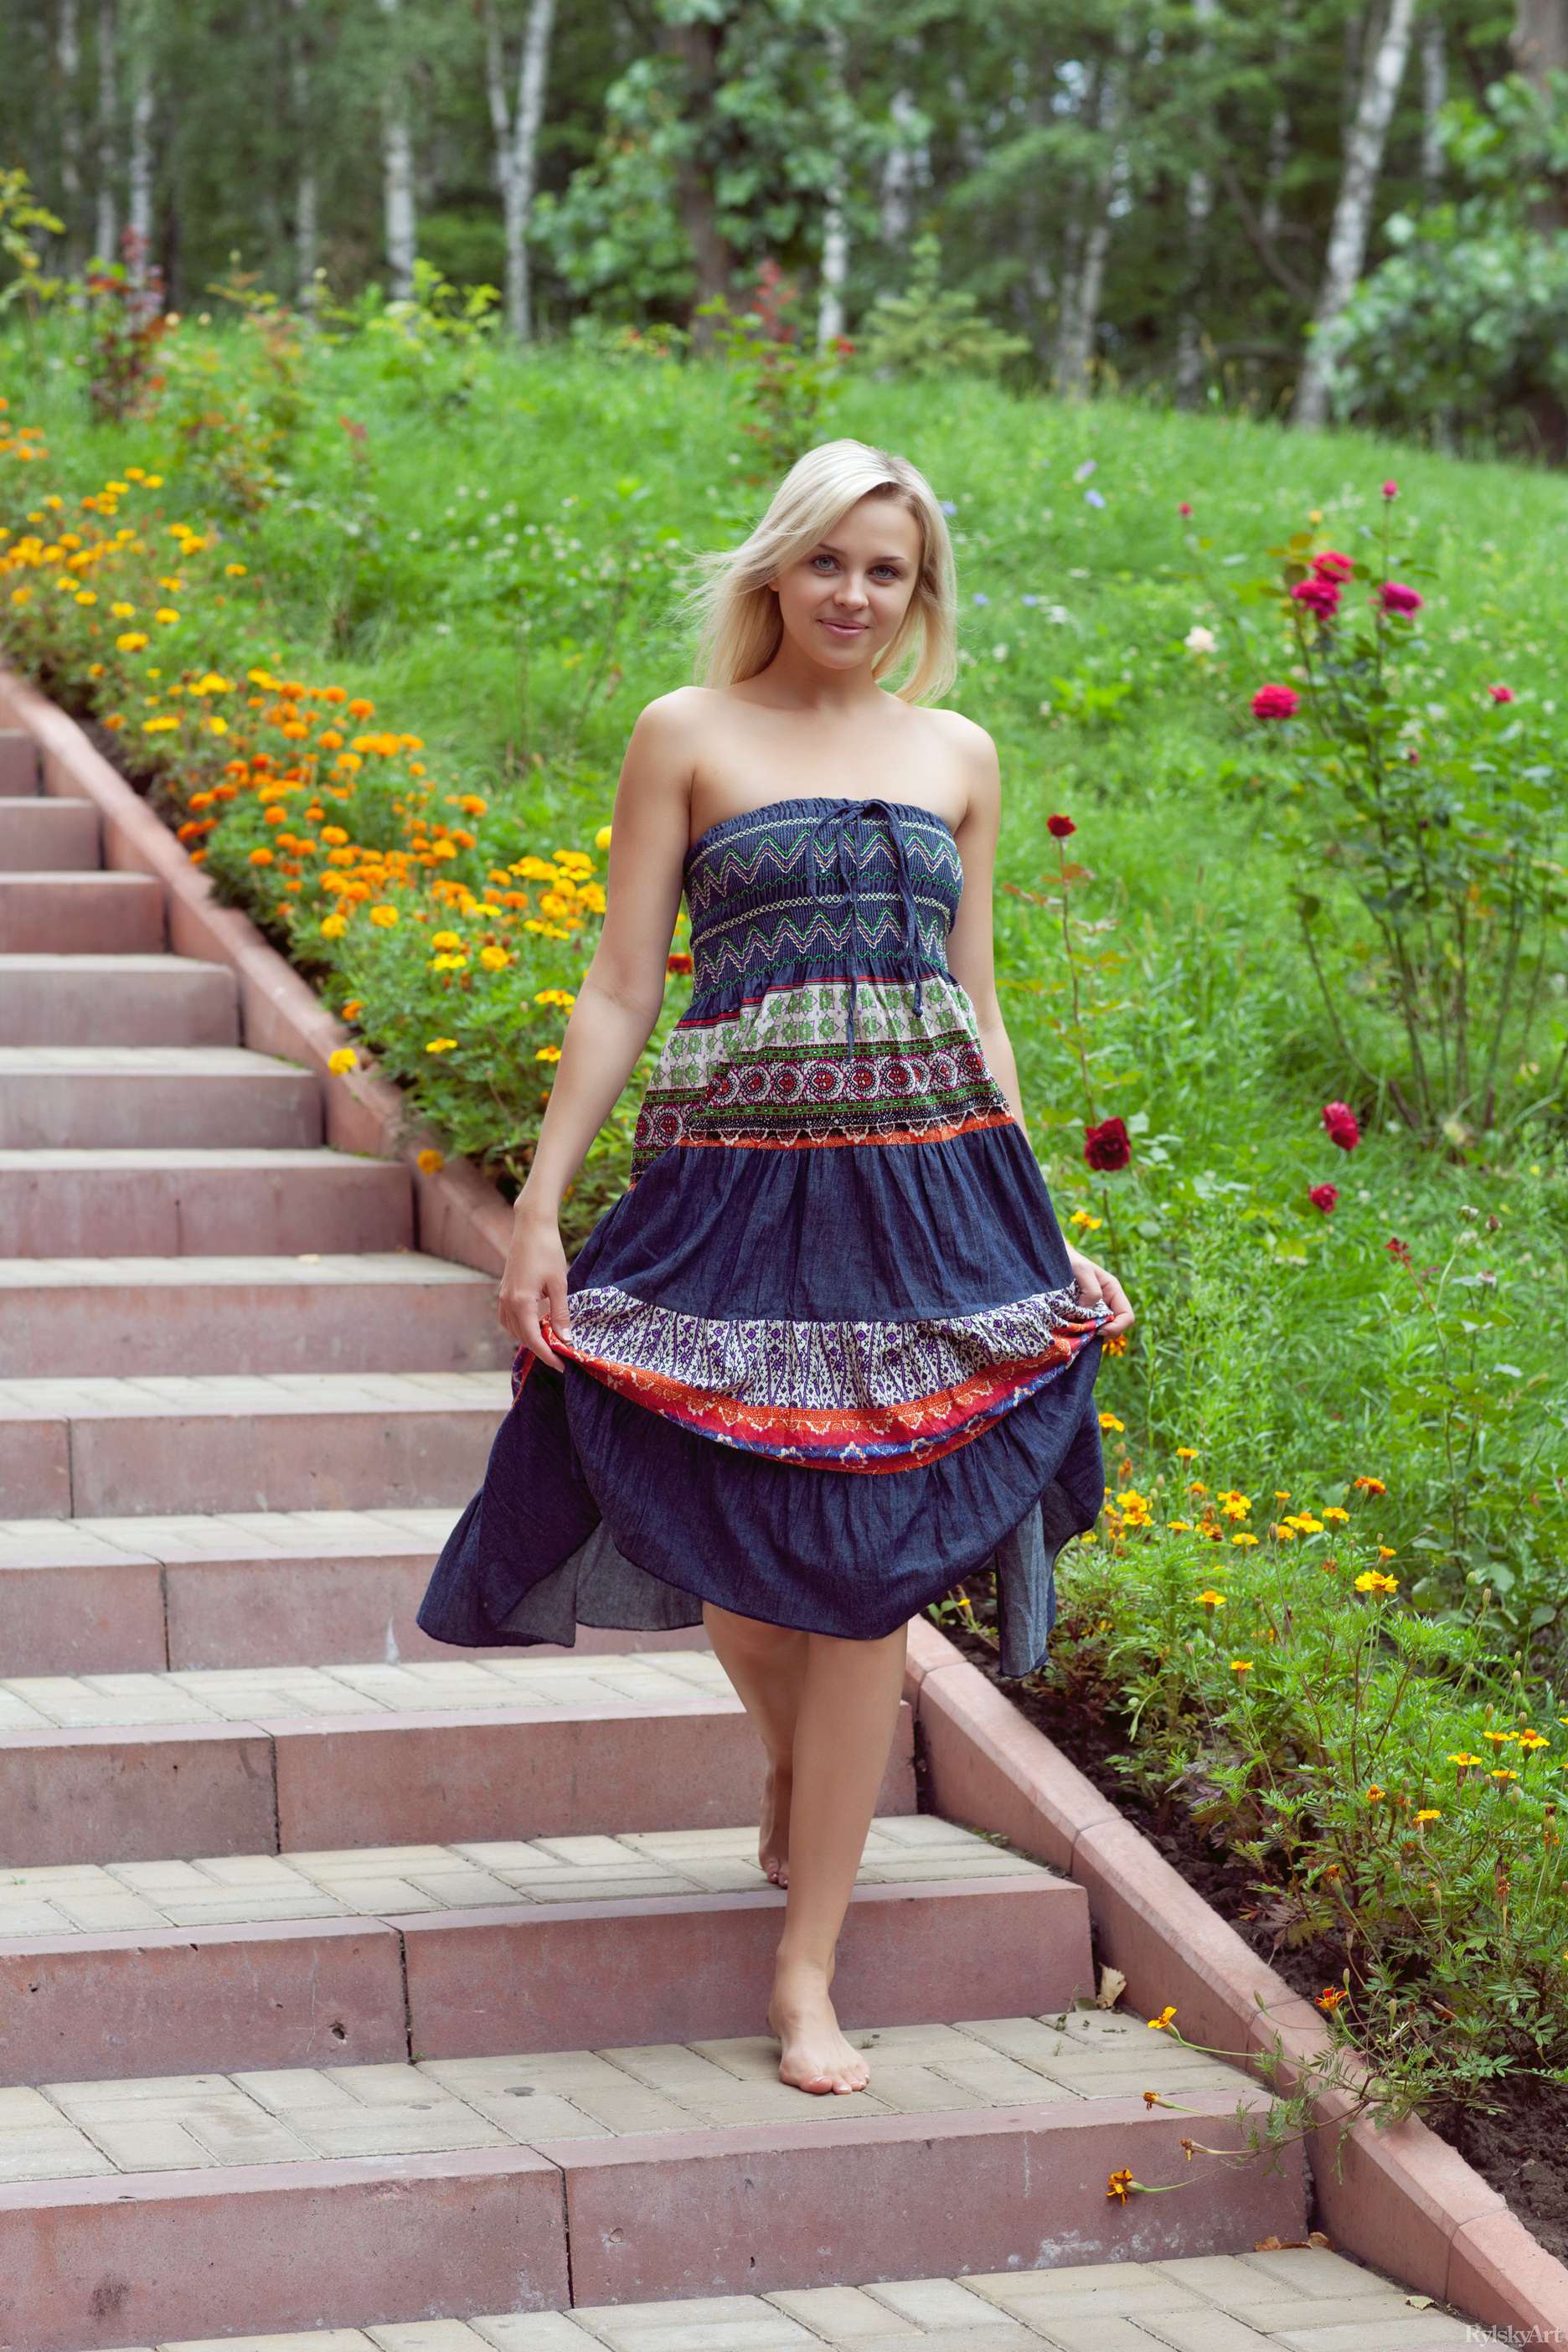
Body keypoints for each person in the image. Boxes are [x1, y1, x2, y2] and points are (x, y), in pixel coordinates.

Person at [416, 436, 1135, 2100]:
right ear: (777, 567)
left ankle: (806, 1972)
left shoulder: (959, 753)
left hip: (929, 1206)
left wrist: (1038, 1226)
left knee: (867, 1575)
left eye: (889, 571)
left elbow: (977, 1004)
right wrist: (543, 1208)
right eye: (830, 562)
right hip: (733, 1198)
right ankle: (794, 1761)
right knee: (739, 1559)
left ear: (920, 592)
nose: (856, 595)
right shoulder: (689, 733)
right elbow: (622, 983)